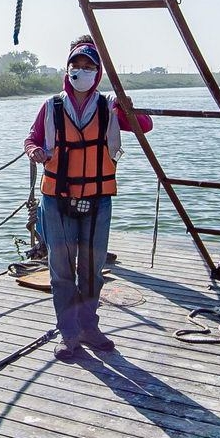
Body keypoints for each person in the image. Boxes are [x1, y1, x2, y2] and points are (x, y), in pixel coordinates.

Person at [24, 36, 151, 361]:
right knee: (61, 270)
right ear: (68, 70)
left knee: (92, 269)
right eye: (76, 66)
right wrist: (35, 150)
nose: (81, 71)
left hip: (96, 199)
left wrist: (126, 105)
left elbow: (144, 126)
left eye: (88, 66)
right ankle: (69, 334)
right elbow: (32, 137)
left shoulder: (108, 105)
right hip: (57, 200)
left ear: (98, 71)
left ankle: (90, 327)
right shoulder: (52, 105)